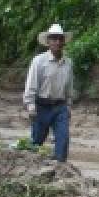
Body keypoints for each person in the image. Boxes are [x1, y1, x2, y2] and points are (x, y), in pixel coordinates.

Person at [22, 23, 75, 162]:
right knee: (36, 141)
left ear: (63, 41)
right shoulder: (39, 61)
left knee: (63, 139)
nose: (57, 42)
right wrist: (30, 105)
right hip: (42, 106)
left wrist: (68, 105)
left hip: (60, 107)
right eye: (54, 38)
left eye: (60, 39)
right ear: (48, 41)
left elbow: (69, 87)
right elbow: (31, 84)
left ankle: (60, 167)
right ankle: (29, 165)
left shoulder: (68, 63)